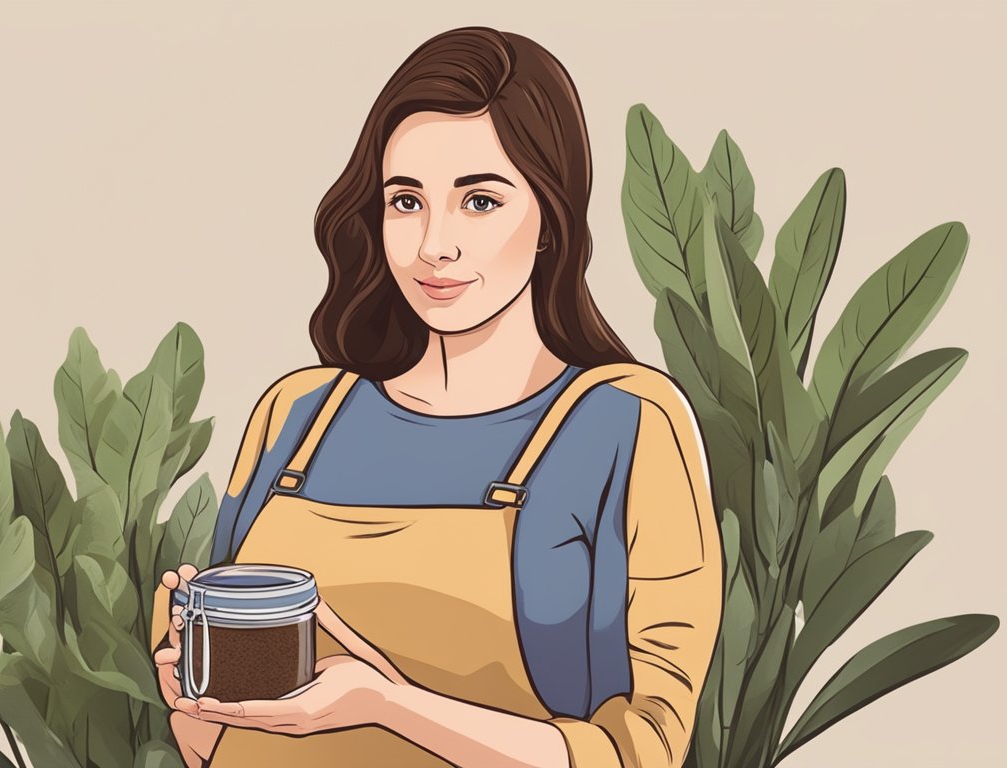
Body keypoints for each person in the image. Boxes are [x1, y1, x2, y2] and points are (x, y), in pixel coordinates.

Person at [151, 26, 721, 768]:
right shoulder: (298, 415)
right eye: (406, 201)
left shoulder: (624, 422)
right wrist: (193, 704)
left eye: (479, 201)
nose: (433, 246)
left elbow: (644, 750)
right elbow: (214, 748)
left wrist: (388, 707)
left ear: (552, 216)